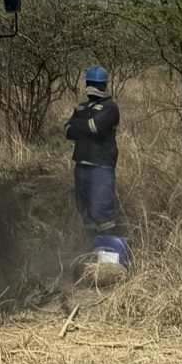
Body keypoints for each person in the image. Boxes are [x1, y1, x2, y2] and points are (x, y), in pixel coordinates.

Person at [64, 65, 119, 245]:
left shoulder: (110, 108)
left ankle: (109, 256)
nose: (91, 87)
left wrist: (80, 125)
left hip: (100, 167)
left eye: (94, 84)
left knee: (102, 213)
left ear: (102, 86)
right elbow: (67, 131)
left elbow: (93, 127)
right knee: (85, 213)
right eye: (89, 83)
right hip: (81, 166)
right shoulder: (82, 107)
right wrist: (83, 126)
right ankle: (92, 252)